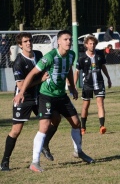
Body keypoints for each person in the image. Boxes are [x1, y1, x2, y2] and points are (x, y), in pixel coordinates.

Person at [13, 30, 95, 173]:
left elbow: (69, 70)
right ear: (58, 42)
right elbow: (32, 74)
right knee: (44, 126)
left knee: (76, 123)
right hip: (46, 95)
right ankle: (35, 162)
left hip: (61, 95)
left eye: (70, 39)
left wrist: (72, 87)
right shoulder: (50, 57)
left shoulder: (71, 55)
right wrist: (21, 93)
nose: (69, 42)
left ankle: (78, 152)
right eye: (65, 39)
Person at [0, 33, 60, 171]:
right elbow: (21, 86)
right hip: (24, 98)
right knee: (16, 130)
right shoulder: (19, 62)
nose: (29, 43)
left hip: (40, 96)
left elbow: (47, 69)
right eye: (25, 41)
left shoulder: (38, 54)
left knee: (56, 118)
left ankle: (44, 144)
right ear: (20, 45)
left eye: (30, 40)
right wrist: (40, 80)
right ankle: (5, 162)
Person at [74, 35, 112, 135]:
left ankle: (102, 126)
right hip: (87, 84)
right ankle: (83, 127)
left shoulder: (99, 55)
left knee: (100, 103)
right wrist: (74, 85)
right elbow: (77, 72)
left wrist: (108, 78)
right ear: (86, 45)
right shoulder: (82, 58)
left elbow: (103, 67)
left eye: (94, 43)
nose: (92, 45)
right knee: (86, 105)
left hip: (99, 83)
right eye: (90, 43)